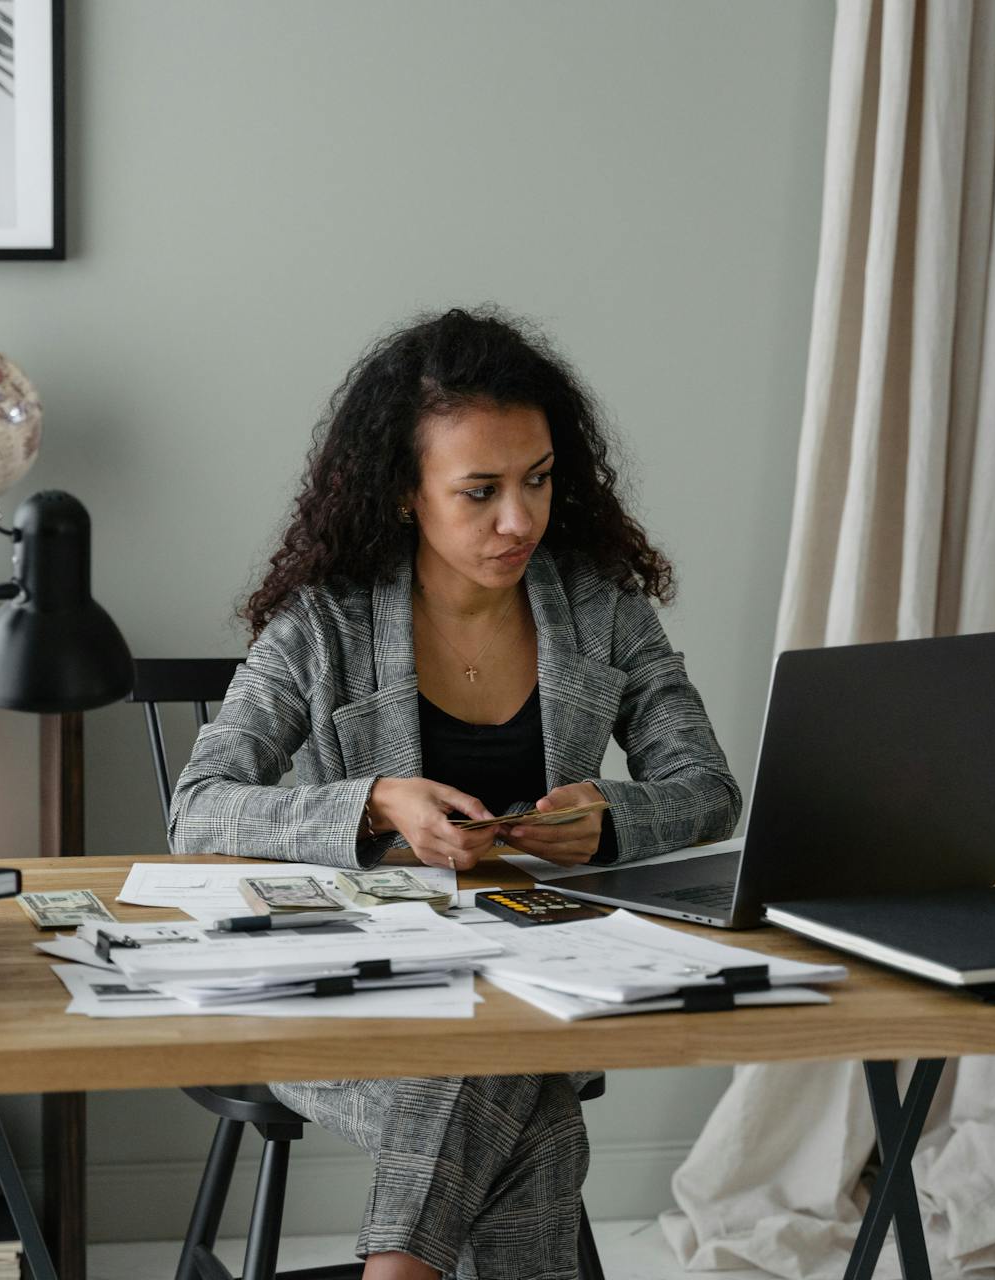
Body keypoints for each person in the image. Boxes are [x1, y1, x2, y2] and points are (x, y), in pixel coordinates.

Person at [169, 307, 740, 1280]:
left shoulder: (599, 606)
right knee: (526, 1105)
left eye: (538, 479)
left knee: (501, 1058)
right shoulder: (329, 621)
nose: (518, 519)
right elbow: (199, 808)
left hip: (540, 980)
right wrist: (375, 802)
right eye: (479, 491)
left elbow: (706, 788)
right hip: (356, 995)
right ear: (405, 492)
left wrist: (611, 821)